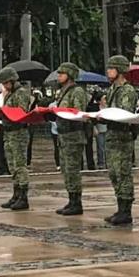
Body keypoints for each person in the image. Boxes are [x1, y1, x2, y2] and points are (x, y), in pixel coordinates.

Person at [102, 55, 138, 225]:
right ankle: (120, 207)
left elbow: (123, 112)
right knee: (114, 173)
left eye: (111, 68)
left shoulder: (127, 90)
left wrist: (106, 113)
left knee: (123, 173)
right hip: (112, 135)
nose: (108, 71)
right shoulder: (112, 89)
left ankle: (126, 210)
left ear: (120, 70)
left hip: (122, 136)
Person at [52, 62, 88, 216]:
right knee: (66, 170)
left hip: (73, 135)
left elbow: (79, 113)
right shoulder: (63, 92)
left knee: (73, 169)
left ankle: (76, 202)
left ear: (70, 75)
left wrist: (65, 113)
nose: (59, 75)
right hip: (63, 135)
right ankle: (71, 199)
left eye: (62, 73)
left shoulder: (77, 91)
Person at [0, 67, 32, 210]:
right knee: (12, 166)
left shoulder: (21, 93)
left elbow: (21, 112)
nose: (4, 86)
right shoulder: (9, 94)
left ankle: (23, 197)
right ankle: (16, 194)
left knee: (20, 166)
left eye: (6, 83)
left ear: (12, 80)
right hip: (8, 132)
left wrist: (5, 112)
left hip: (18, 133)